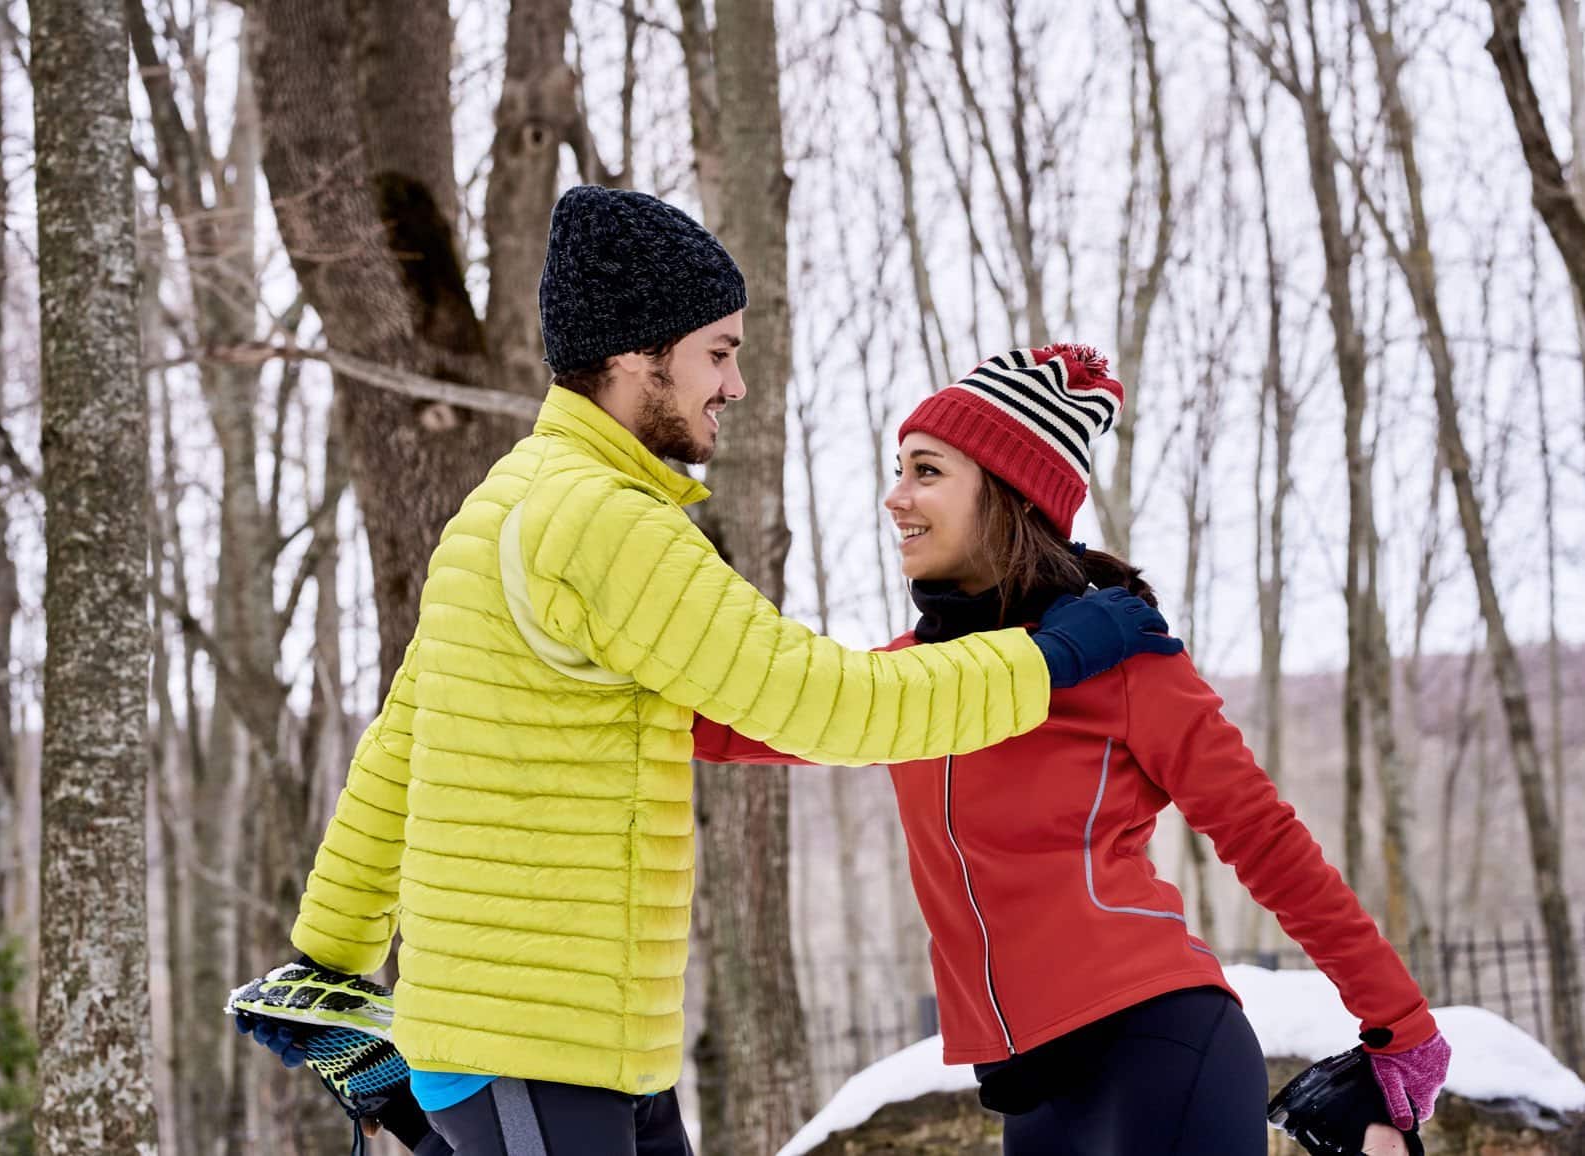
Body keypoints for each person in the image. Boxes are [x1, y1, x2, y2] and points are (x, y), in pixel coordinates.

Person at [236, 187, 1185, 1155]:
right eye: (717, 354)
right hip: (533, 1046)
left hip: (592, 1051)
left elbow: (402, 744)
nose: (733, 385)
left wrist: (330, 956)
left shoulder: (506, 503)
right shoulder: (604, 523)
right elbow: (831, 703)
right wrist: (1058, 653)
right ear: (635, 353)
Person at [694, 345, 1450, 1156]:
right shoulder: (905, 680)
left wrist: (1398, 1020)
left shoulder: (1125, 657)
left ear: (1008, 493)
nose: (894, 496)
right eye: (897, 469)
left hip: (1157, 1048)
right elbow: (719, 728)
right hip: (1035, 1096)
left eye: (925, 471)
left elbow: (1264, 839)